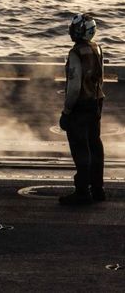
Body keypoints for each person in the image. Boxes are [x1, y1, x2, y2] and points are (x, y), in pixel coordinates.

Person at [59, 13, 106, 205]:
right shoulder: (97, 49)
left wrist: (66, 111)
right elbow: (100, 78)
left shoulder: (76, 53)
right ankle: (97, 189)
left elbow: (74, 86)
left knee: (80, 147)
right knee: (95, 144)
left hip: (80, 105)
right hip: (96, 102)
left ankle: (82, 192)